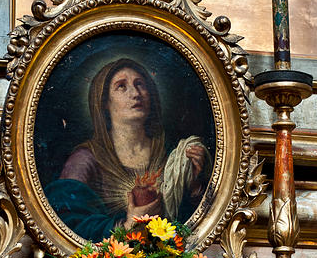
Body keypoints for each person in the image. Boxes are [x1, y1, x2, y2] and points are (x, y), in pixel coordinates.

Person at [43, 58, 211, 239]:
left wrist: (193, 186)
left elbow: (191, 225)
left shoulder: (173, 154)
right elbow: (66, 223)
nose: (135, 93)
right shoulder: (84, 161)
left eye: (140, 84)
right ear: (104, 102)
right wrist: (125, 226)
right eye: (121, 86)